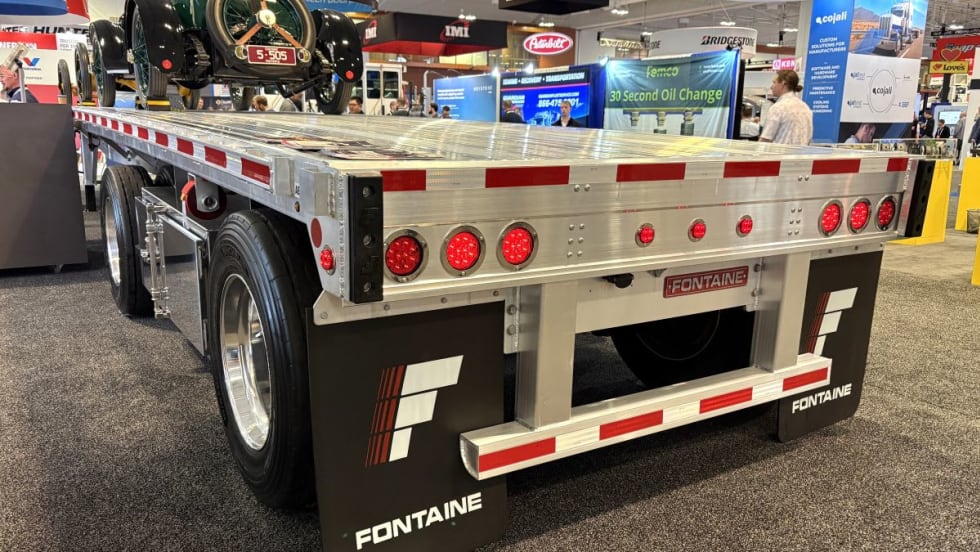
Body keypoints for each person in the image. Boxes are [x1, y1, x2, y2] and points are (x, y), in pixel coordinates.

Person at [759, 70, 812, 145]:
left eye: (774, 82)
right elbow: (808, 138)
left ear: (783, 83)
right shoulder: (805, 108)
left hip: (779, 155)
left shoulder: (778, 108)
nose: (771, 87)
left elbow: (765, 140)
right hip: (800, 155)